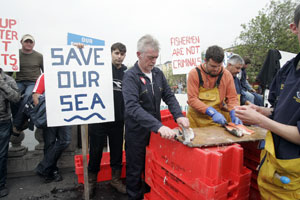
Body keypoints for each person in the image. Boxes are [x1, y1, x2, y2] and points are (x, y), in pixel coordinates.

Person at [235, 5, 300, 199]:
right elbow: (281, 110)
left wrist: (260, 120)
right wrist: (263, 111)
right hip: (273, 164)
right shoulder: (289, 68)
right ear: (294, 28)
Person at [122, 34, 190, 200]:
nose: (153, 61)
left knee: (152, 165)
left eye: (156, 57)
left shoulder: (158, 74)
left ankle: (149, 195)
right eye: (150, 57)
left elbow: (169, 96)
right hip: (137, 132)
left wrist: (178, 116)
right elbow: (132, 107)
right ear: (139, 55)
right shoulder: (130, 76)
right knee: (135, 169)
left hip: (155, 133)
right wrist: (158, 126)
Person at [87, 43, 127, 197]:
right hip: (99, 118)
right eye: (116, 53)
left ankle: (115, 180)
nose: (119, 56)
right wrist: (79, 49)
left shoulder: (126, 72)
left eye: (122, 54)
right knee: (96, 150)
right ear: (111, 53)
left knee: (117, 151)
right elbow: (84, 66)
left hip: (118, 119)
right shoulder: (101, 67)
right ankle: (91, 181)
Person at [187, 45, 242, 128]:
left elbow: (232, 98)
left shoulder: (226, 75)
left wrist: (235, 112)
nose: (216, 69)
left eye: (219, 66)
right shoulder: (194, 74)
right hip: (195, 120)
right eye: (213, 66)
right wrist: (211, 112)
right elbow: (192, 99)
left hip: (216, 121)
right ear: (205, 61)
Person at [32, 73, 71, 183]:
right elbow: (36, 96)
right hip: (50, 115)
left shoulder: (70, 75)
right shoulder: (45, 75)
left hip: (65, 114)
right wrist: (45, 115)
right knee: (50, 143)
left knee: (65, 141)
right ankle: (51, 171)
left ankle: (43, 168)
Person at [11, 34, 43, 133]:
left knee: (28, 97)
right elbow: (9, 72)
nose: (28, 44)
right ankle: (24, 120)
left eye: (31, 42)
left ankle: (16, 124)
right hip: (19, 81)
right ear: (21, 42)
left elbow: (45, 71)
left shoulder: (39, 56)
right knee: (12, 97)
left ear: (33, 44)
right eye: (26, 41)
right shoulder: (15, 54)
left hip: (33, 82)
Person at [0, 67, 20, 198]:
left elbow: (16, 98)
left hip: (3, 122)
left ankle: (1, 184)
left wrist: (2, 84)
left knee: (1, 155)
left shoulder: (8, 80)